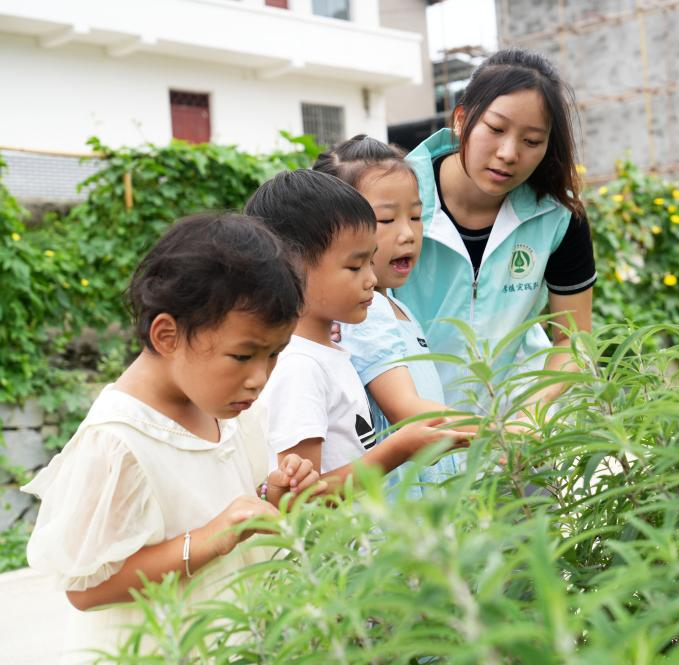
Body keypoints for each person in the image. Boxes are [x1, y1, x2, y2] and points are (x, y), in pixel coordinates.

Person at [21, 213, 325, 662]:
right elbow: (86, 588)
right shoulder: (119, 441)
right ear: (167, 335)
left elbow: (225, 506)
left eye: (274, 354)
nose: (259, 377)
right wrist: (212, 536)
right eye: (242, 355)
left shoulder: (228, 408)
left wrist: (269, 497)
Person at [397, 47, 596, 414]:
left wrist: (531, 416)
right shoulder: (391, 201)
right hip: (406, 426)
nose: (508, 153)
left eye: (532, 141)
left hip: (514, 427)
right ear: (461, 119)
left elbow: (573, 343)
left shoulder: (558, 216)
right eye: (495, 129)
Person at [244, 169, 466, 493]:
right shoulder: (299, 368)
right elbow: (297, 500)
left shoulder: (330, 353)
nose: (371, 280)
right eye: (354, 266)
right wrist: (397, 450)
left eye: (370, 263)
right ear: (291, 267)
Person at [313, 135, 465, 497]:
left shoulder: (394, 303)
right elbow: (407, 409)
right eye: (385, 219)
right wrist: (499, 429)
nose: (407, 233)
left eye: (415, 215)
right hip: (404, 509)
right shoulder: (369, 310)